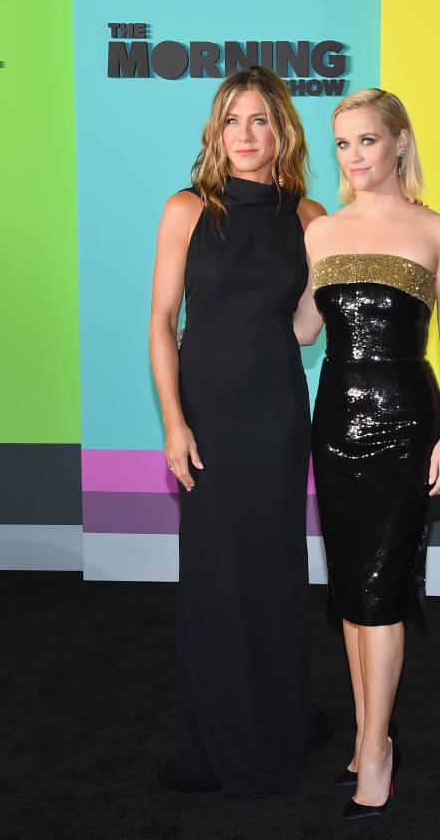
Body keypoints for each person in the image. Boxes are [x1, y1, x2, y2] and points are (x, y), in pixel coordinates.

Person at [147, 66, 326, 795]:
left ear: (281, 130)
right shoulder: (187, 209)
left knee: (276, 572)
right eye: (232, 121)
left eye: (259, 121)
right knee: (217, 576)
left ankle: (278, 724)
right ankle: (219, 734)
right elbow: (162, 323)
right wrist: (174, 422)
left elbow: (307, 326)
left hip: (277, 411)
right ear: (215, 133)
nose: (246, 135)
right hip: (209, 416)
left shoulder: (310, 217)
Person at [294, 88, 440, 820]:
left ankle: (375, 751)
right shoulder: (322, 232)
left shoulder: (438, 230)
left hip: (405, 420)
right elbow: (304, 329)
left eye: (367, 140)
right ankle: (371, 735)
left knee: (380, 586)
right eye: (342, 144)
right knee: (349, 591)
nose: (354, 157)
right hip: (333, 418)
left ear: (399, 142)